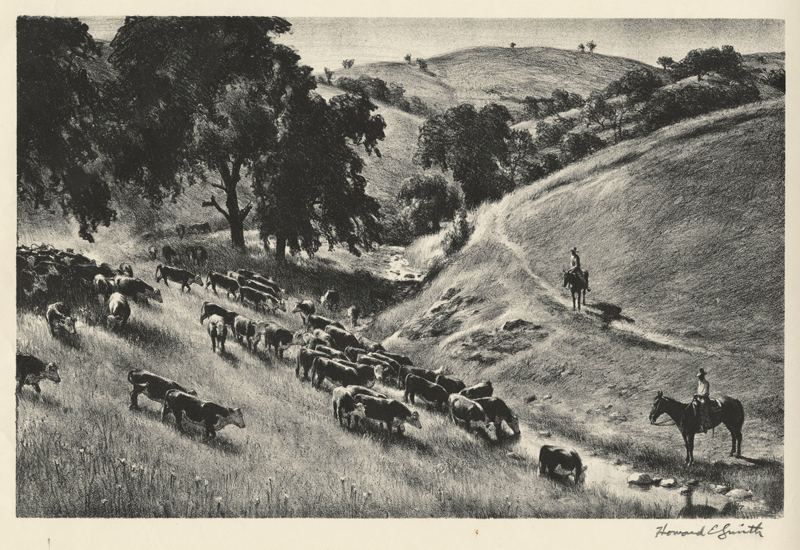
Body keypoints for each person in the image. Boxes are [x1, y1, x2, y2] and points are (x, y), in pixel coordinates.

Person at [693, 368, 711, 433]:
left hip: (704, 398)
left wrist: (698, 395)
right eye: (699, 377)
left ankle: (705, 424)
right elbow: (698, 391)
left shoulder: (706, 383)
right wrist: (696, 395)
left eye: (700, 376)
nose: (699, 378)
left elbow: (705, 393)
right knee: (693, 404)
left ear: (703, 376)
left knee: (702, 405)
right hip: (699, 397)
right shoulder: (699, 383)